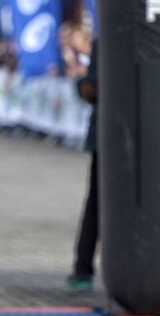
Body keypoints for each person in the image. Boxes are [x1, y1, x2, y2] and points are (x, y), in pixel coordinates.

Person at [67, 38, 98, 291]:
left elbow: (91, 88)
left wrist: (83, 83)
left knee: (96, 205)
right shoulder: (108, 40)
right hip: (108, 140)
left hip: (108, 140)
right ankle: (82, 269)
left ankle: (83, 269)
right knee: (96, 204)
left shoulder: (109, 40)